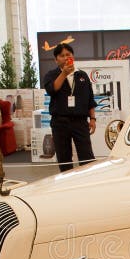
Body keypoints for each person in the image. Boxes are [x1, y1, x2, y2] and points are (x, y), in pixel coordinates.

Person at [43, 43, 97, 172]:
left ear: (73, 56)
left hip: (80, 122)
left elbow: (90, 98)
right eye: (62, 56)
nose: (66, 57)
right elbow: (52, 89)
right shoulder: (51, 75)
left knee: (87, 156)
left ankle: (89, 180)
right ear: (56, 60)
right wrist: (64, 73)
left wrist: (93, 118)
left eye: (68, 54)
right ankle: (66, 180)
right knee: (64, 158)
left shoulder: (82, 75)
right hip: (60, 122)